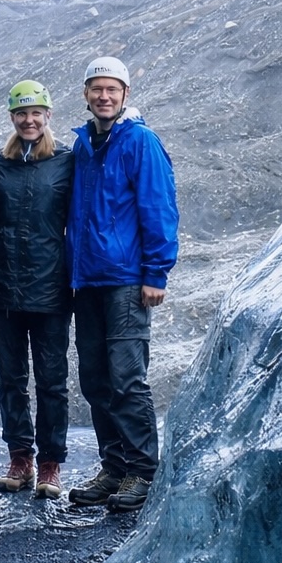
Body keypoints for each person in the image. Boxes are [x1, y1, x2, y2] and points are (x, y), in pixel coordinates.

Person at [65, 55, 179, 513]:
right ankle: (113, 468)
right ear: (87, 95)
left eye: (112, 89)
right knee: (95, 379)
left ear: (125, 94)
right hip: (88, 280)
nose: (104, 96)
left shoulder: (140, 141)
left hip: (127, 280)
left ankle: (142, 472)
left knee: (128, 378)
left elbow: (159, 207)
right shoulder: (83, 145)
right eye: (97, 89)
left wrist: (156, 272)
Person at [0, 80, 74, 499]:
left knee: (52, 380)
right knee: (10, 379)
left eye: (36, 112)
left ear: (48, 115)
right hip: (2, 288)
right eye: (21, 113)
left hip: (52, 288)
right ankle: (21, 458)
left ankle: (51, 465)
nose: (29, 120)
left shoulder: (66, 163)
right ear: (12, 118)